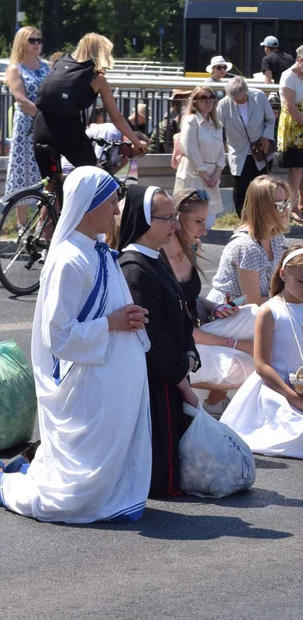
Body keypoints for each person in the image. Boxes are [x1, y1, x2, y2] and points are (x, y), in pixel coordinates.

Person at [0, 166, 153, 524]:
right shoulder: (68, 259)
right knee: (73, 502)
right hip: (88, 386)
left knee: (103, 488)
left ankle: (68, 486)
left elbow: (109, 312)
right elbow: (58, 336)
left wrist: (129, 317)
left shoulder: (100, 251)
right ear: (89, 206)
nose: (117, 211)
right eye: (111, 203)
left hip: (111, 387)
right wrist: (111, 324)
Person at [116, 185, 201, 498]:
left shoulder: (156, 258)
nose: (175, 226)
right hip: (155, 380)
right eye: (168, 218)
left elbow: (181, 312)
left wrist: (191, 352)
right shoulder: (134, 269)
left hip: (171, 374)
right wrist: (182, 377)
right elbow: (151, 336)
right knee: (159, 476)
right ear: (144, 221)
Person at [163, 189, 258, 418]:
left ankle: (214, 406)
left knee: (256, 314)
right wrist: (234, 343)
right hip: (175, 342)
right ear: (177, 219)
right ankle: (209, 405)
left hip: (196, 329)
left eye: (206, 221)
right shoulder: (159, 254)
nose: (204, 230)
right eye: (198, 221)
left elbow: (190, 296)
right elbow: (181, 325)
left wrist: (213, 307)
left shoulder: (194, 247)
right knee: (247, 366)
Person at [221, 244, 303, 458]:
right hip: (278, 388)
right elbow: (262, 364)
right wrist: (293, 397)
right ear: (283, 274)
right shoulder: (270, 311)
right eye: (301, 281)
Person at [32, 33, 145, 182]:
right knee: (97, 179)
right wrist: (138, 143)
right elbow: (116, 117)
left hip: (41, 126)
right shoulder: (97, 78)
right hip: (66, 130)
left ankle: (47, 203)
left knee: (51, 187)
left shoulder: (61, 63)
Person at [208, 175, 290, 307]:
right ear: (262, 207)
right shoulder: (246, 247)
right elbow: (253, 301)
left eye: (287, 203)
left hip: (256, 312)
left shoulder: (277, 239)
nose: (286, 209)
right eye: (280, 205)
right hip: (228, 316)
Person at [4, 27, 50, 223]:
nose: (37, 44)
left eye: (39, 40)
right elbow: (21, 99)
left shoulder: (47, 66)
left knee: (47, 174)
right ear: (22, 42)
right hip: (27, 126)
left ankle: (43, 222)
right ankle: (22, 224)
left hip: (47, 124)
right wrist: (43, 117)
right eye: (32, 40)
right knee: (22, 172)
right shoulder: (15, 69)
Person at [219, 77, 275, 215]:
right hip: (239, 151)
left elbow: (270, 119)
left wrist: (266, 136)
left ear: (246, 91)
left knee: (262, 187)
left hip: (261, 150)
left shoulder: (259, 97)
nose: (238, 101)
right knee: (240, 189)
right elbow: (218, 128)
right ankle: (243, 220)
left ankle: (262, 218)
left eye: (241, 98)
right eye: (234, 99)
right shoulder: (223, 104)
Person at [174, 85, 225, 229]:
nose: (208, 101)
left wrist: (217, 173)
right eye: (203, 98)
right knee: (189, 215)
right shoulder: (191, 120)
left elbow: (222, 151)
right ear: (195, 101)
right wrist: (202, 171)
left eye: (211, 98)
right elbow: (188, 146)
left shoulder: (217, 124)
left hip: (212, 175)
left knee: (208, 219)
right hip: (193, 173)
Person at [277, 46, 303, 222]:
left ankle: (301, 205)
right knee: (296, 169)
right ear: (300, 60)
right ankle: (293, 207)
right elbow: (290, 106)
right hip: (294, 127)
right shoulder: (288, 76)